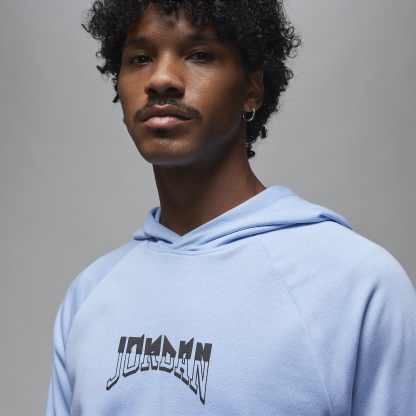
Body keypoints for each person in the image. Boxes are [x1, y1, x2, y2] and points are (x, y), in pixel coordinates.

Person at [45, 1, 416, 415]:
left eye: (200, 54)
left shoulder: (356, 285)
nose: (161, 79)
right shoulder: (89, 295)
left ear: (252, 89)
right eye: (140, 58)